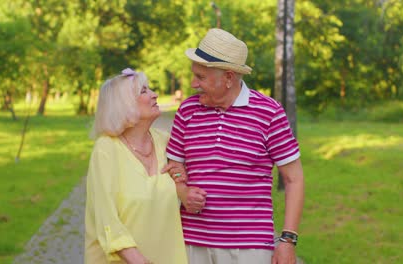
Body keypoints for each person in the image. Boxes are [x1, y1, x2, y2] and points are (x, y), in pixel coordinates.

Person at [162, 28, 305, 264]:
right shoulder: (187, 111)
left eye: (201, 77)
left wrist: (287, 240)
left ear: (228, 77)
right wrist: (182, 191)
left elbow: (294, 179)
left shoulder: (269, 112)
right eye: (194, 74)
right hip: (191, 244)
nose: (193, 83)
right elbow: (174, 164)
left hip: (249, 249)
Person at [84, 68, 206, 264]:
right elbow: (105, 216)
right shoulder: (106, 149)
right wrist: (138, 260)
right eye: (143, 91)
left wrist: (180, 179)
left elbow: (186, 180)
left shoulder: (165, 142)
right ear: (123, 105)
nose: (154, 94)